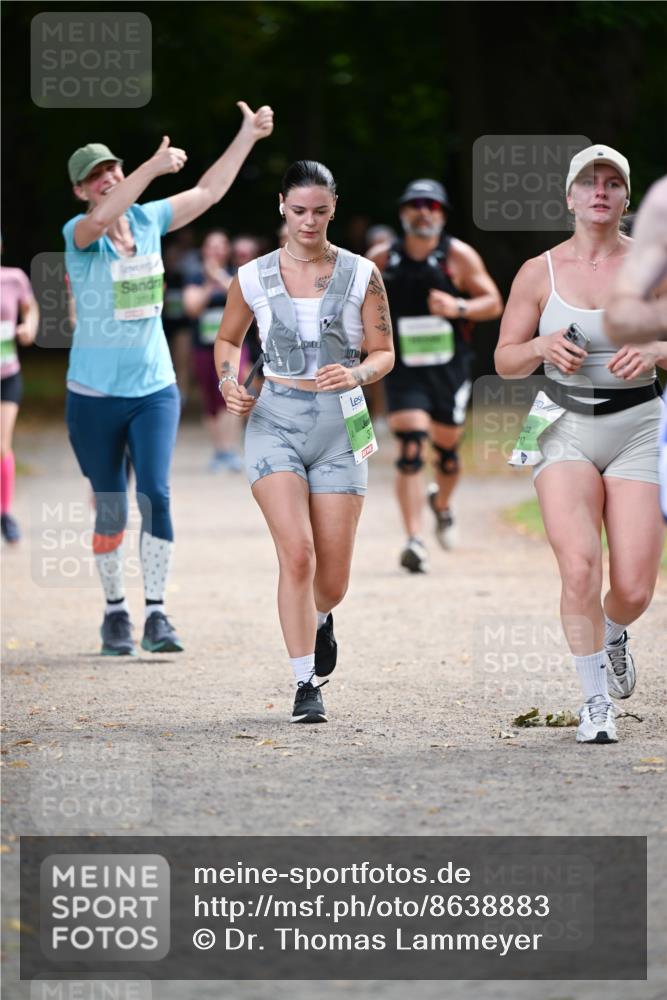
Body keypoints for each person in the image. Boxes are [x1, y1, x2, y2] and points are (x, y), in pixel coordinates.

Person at [63, 101, 273, 656]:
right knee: (109, 503)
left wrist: (246, 137)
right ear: (82, 192)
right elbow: (104, 217)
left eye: (111, 168)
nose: (107, 179)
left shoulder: (151, 220)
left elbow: (207, 192)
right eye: (95, 177)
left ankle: (157, 613)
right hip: (93, 394)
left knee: (156, 493)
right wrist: (151, 169)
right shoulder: (80, 232)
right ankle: (115, 612)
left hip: (154, 387)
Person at [495, 144, 667, 745]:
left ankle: (615, 628)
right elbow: (506, 359)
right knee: (578, 567)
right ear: (569, 197)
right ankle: (595, 703)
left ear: (625, 198)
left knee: (637, 586)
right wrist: (541, 349)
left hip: (639, 425)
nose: (600, 191)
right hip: (562, 425)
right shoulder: (536, 272)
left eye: (612, 182)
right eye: (589, 182)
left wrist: (654, 351)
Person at [214, 160, 394, 723]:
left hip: (343, 424)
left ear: (334, 208)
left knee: (332, 579)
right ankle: (304, 683)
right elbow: (227, 338)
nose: (308, 221)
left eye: (319, 211)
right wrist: (228, 381)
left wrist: (358, 374)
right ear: (281, 208)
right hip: (276, 420)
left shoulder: (363, 273)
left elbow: (384, 353)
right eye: (298, 211)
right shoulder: (252, 275)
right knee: (297, 555)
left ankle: (321, 618)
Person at [369, 178, 503, 573]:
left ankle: (441, 504)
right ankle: (415, 539)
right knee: (411, 447)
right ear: (402, 213)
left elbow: (493, 302)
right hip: (403, 367)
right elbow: (351, 301)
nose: (423, 211)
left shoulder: (458, 256)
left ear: (442, 214)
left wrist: (458, 306)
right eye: (415, 205)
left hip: (449, 367)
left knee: (446, 453)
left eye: (432, 205)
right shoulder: (381, 258)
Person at [183, 230, 246, 472]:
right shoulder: (195, 276)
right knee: (211, 399)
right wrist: (209, 285)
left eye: (222, 246)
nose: (217, 251)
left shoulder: (236, 274)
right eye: (212, 246)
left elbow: (241, 298)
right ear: (204, 250)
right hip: (203, 347)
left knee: (232, 391)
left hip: (233, 347)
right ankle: (219, 450)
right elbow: (191, 307)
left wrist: (218, 276)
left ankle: (230, 449)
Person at [0, 244, 39, 542]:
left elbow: (31, 309)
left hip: (7, 375)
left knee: (3, 445)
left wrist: (29, 326)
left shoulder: (14, 279)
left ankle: (5, 513)